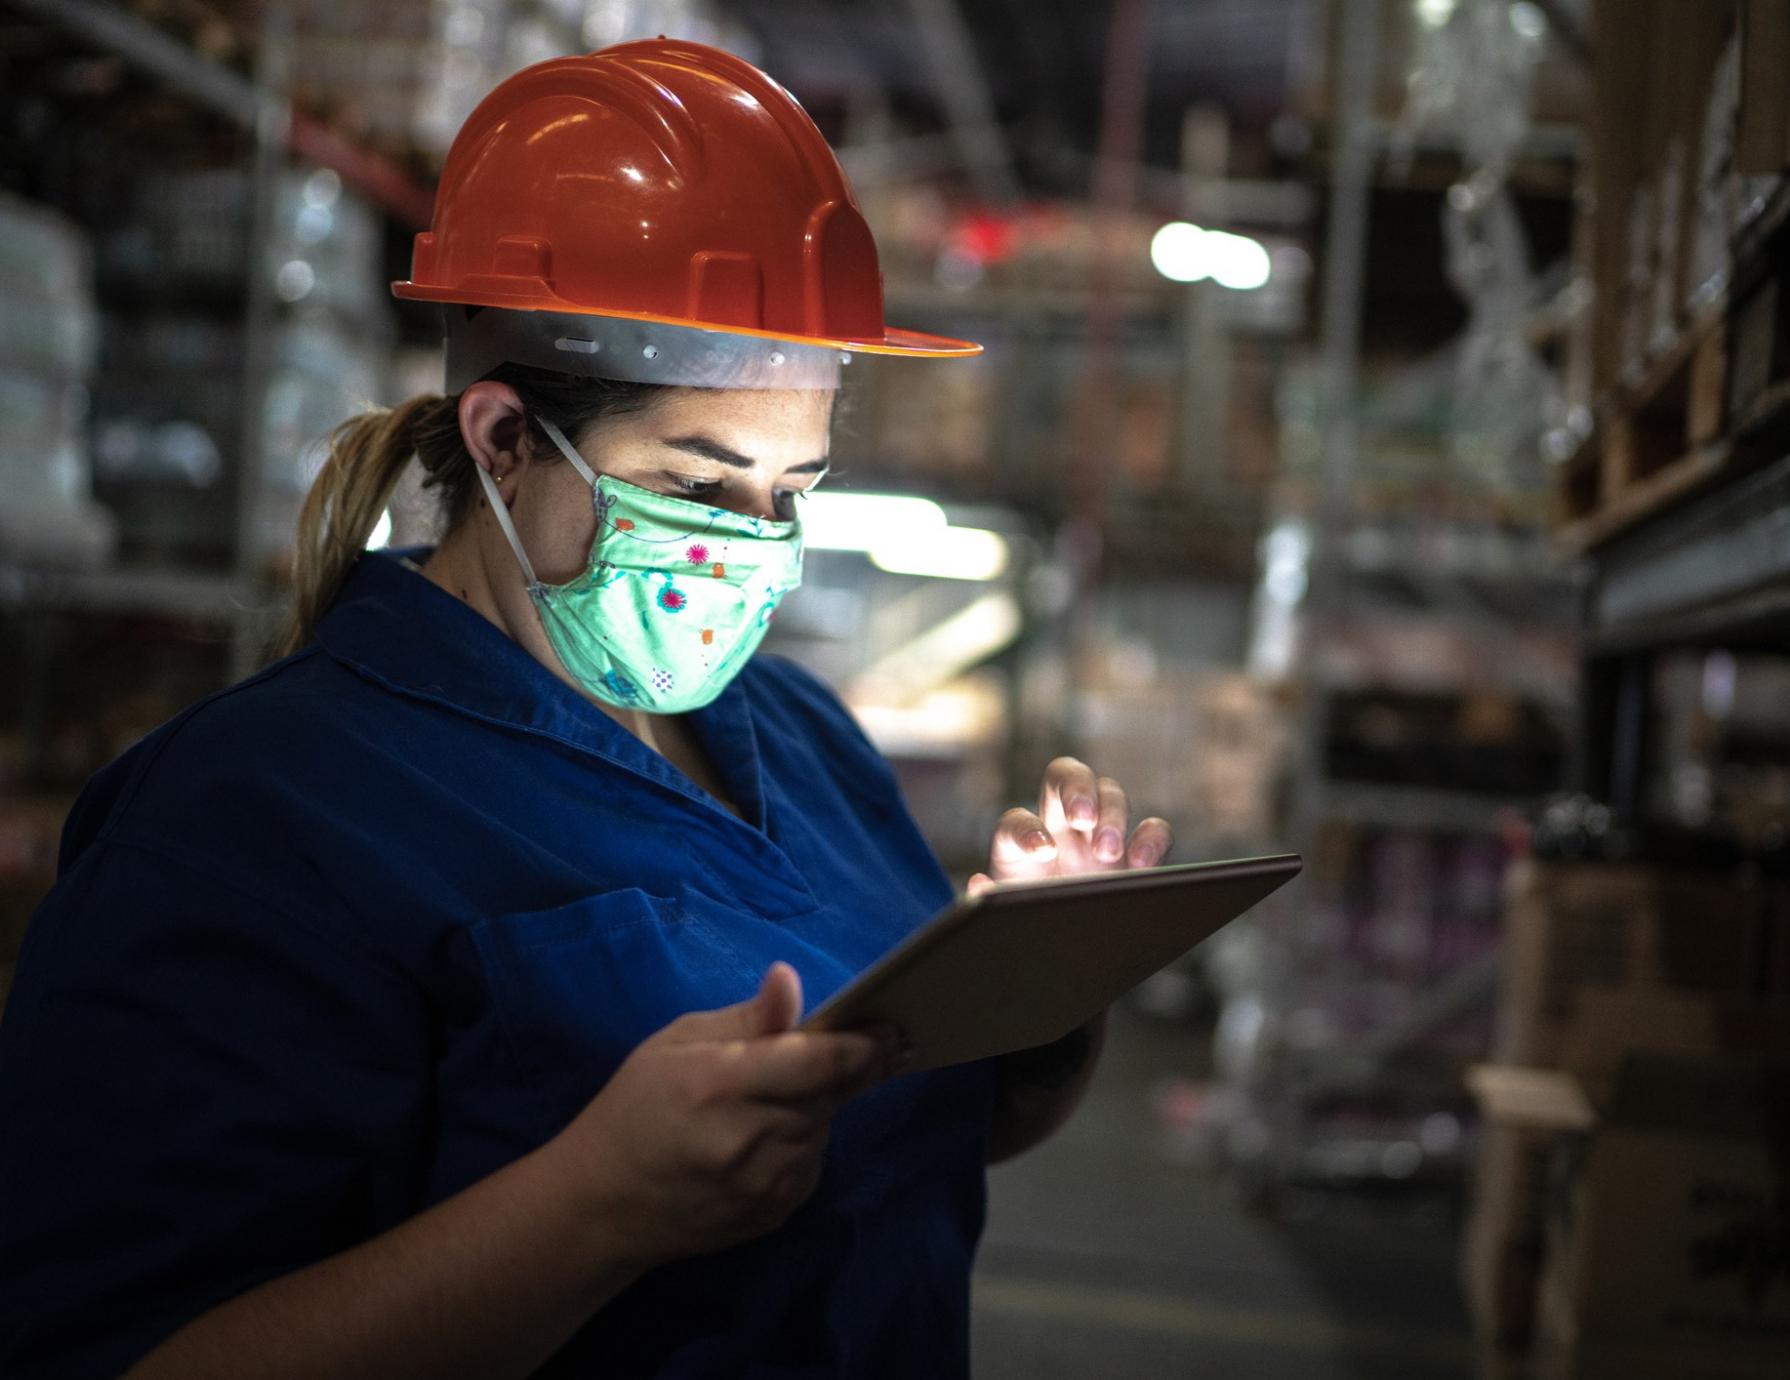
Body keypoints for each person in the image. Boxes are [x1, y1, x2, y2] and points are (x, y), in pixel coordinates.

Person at [0, 40, 1172, 1379]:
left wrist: (1040, 995)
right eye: (702, 483)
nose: (756, 543)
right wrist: (594, 1208)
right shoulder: (251, 820)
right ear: (503, 438)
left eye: (795, 491)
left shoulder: (803, 739)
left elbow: (900, 1142)